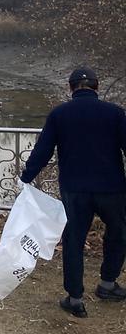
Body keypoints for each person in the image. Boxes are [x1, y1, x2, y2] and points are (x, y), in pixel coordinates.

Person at [20, 67, 126, 318]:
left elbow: (43, 151)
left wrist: (25, 178)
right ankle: (108, 284)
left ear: (71, 88)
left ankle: (75, 298)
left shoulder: (60, 114)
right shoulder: (115, 113)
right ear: (97, 87)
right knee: (119, 233)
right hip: (112, 188)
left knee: (73, 241)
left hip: (74, 190)